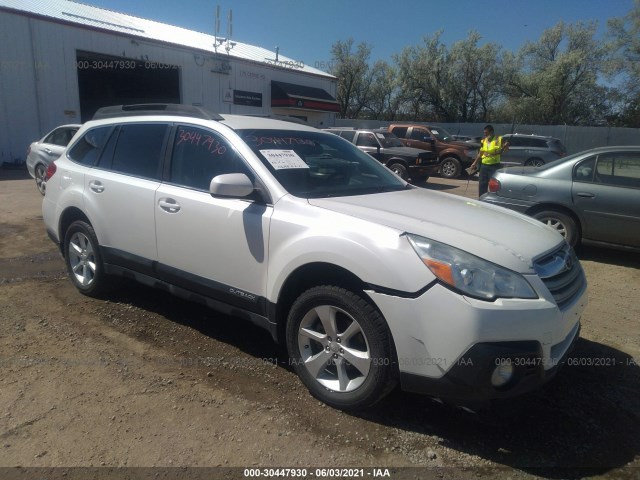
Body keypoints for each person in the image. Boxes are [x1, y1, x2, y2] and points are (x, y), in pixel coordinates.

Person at [470, 125, 509, 197]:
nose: (485, 134)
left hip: (494, 166)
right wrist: (474, 163)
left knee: (494, 185)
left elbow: (506, 150)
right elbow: (480, 153)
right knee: (482, 184)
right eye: (484, 133)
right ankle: (481, 199)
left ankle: (493, 199)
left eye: (487, 133)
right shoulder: (483, 141)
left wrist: (506, 146)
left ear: (492, 132)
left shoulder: (499, 139)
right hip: (484, 166)